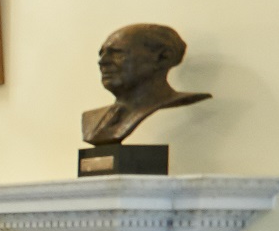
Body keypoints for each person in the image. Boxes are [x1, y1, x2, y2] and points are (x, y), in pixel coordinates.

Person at [82, 23, 210, 145]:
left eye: (117, 53)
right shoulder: (92, 120)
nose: (103, 62)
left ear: (163, 57)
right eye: (102, 54)